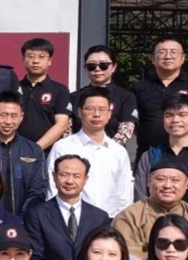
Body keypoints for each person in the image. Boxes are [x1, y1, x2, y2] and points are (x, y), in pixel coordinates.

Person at [24, 154, 111, 260]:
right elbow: (35, 259)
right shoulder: (37, 214)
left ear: (85, 179)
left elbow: (102, 256)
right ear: (54, 176)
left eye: (77, 176)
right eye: (64, 174)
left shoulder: (99, 217)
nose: (70, 181)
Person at [48, 87, 134, 218]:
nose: (96, 114)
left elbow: (124, 194)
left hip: (110, 220)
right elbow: (52, 187)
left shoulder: (119, 151)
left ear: (109, 114)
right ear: (79, 112)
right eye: (90, 109)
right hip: (71, 220)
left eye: (102, 109)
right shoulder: (63, 147)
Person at [132, 34, 188, 149]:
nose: (168, 56)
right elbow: (132, 123)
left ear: (183, 58)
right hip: (148, 154)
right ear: (153, 58)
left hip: (187, 156)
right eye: (162, 52)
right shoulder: (139, 87)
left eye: (173, 52)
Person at [70, 45, 138, 149]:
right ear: (86, 69)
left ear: (114, 67)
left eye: (103, 65)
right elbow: (67, 129)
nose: (97, 69)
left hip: (112, 152)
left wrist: (104, 150)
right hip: (77, 152)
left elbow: (126, 130)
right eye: (91, 66)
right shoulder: (74, 97)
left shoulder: (125, 96)